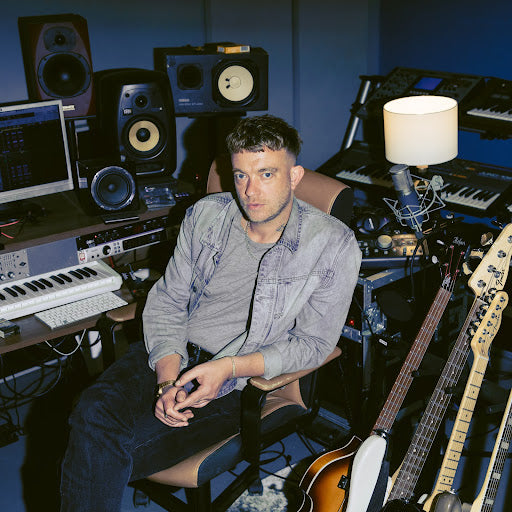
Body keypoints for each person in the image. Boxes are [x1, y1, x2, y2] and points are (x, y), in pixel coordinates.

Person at [59, 114, 361, 511]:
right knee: (91, 417)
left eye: (266, 174)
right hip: (171, 352)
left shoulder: (334, 245)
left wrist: (228, 368)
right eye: (240, 175)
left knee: (97, 450)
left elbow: (314, 344)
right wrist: (167, 380)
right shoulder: (206, 216)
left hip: (236, 382)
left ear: (294, 176)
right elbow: (167, 299)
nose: (250, 191)